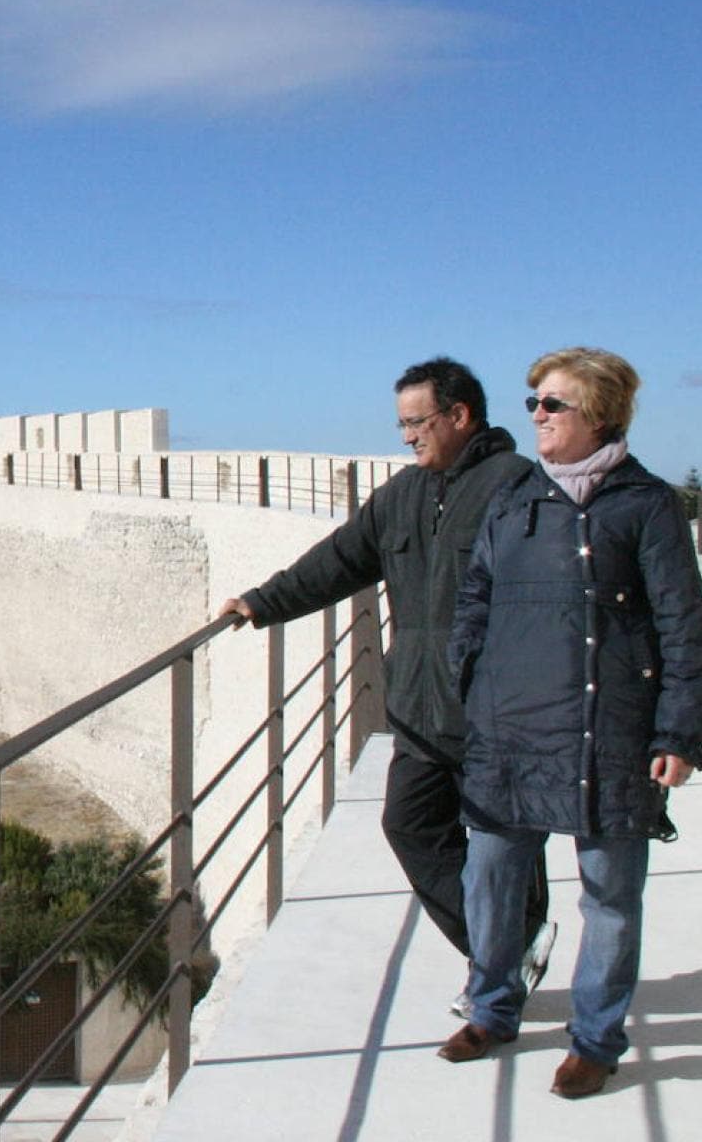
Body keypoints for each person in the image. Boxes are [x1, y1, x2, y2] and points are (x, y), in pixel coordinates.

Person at [218, 357, 553, 1000]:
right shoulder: (402, 496)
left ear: (459, 416)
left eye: (415, 422)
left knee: (502, 843)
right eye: (401, 424)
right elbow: (339, 561)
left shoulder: (515, 486)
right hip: (419, 708)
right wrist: (262, 602)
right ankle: (509, 946)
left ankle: (501, 964)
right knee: (409, 824)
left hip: (495, 708)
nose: (405, 437)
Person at [436, 347, 702, 1099]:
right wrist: (473, 678)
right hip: (511, 732)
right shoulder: (515, 495)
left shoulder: (645, 505)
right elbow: (476, 596)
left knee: (610, 896)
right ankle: (492, 1009)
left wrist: (680, 735)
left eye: (552, 404)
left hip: (610, 731)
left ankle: (596, 1038)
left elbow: (685, 626)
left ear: (599, 415)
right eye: (534, 402)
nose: (536, 416)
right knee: (491, 880)